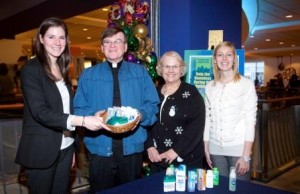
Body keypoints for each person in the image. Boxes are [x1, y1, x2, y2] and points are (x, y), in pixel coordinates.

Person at [15, 17, 110, 194]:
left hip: (65, 148)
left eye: (62, 37)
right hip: (42, 150)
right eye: (51, 37)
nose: (58, 42)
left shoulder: (62, 67)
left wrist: (72, 142)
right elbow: (40, 112)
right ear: (41, 39)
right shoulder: (31, 70)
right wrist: (82, 121)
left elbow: (66, 109)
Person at [73, 26, 159, 192]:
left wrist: (141, 115)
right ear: (102, 47)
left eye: (118, 41)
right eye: (108, 42)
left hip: (132, 149)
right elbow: (79, 108)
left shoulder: (140, 73)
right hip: (99, 149)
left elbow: (152, 105)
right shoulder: (88, 75)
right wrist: (92, 116)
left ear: (125, 47)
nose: (112, 46)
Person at [203, 41, 258, 181]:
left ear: (234, 59)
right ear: (215, 60)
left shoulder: (246, 85)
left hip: (238, 150)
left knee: (240, 190)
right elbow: (208, 119)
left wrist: (246, 156)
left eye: (229, 55)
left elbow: (250, 121)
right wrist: (206, 148)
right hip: (215, 149)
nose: (224, 59)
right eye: (220, 55)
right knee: (220, 189)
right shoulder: (210, 86)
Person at [145, 51, 206, 173]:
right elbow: (146, 122)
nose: (170, 70)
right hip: (157, 159)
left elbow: (196, 127)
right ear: (160, 69)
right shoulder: (154, 92)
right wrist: (150, 146)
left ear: (182, 69)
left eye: (175, 66)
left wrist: (175, 151)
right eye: (167, 66)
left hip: (185, 161)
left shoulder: (191, 93)